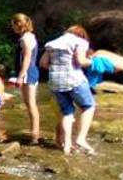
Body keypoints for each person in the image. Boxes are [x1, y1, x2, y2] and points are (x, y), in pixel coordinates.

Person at [40, 24, 96, 155]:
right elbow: (80, 61)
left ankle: (67, 145)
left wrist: (57, 69)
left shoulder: (51, 44)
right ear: (81, 34)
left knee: (67, 112)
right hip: (74, 79)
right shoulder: (80, 42)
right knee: (89, 106)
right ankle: (81, 138)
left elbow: (43, 63)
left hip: (55, 81)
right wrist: (92, 62)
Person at [8, 13, 42, 144]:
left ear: (19, 24)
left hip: (28, 73)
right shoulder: (28, 37)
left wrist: (20, 76)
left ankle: (34, 136)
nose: (12, 28)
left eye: (13, 25)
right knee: (29, 104)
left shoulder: (25, 39)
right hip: (31, 72)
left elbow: (27, 57)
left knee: (31, 104)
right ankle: (34, 133)